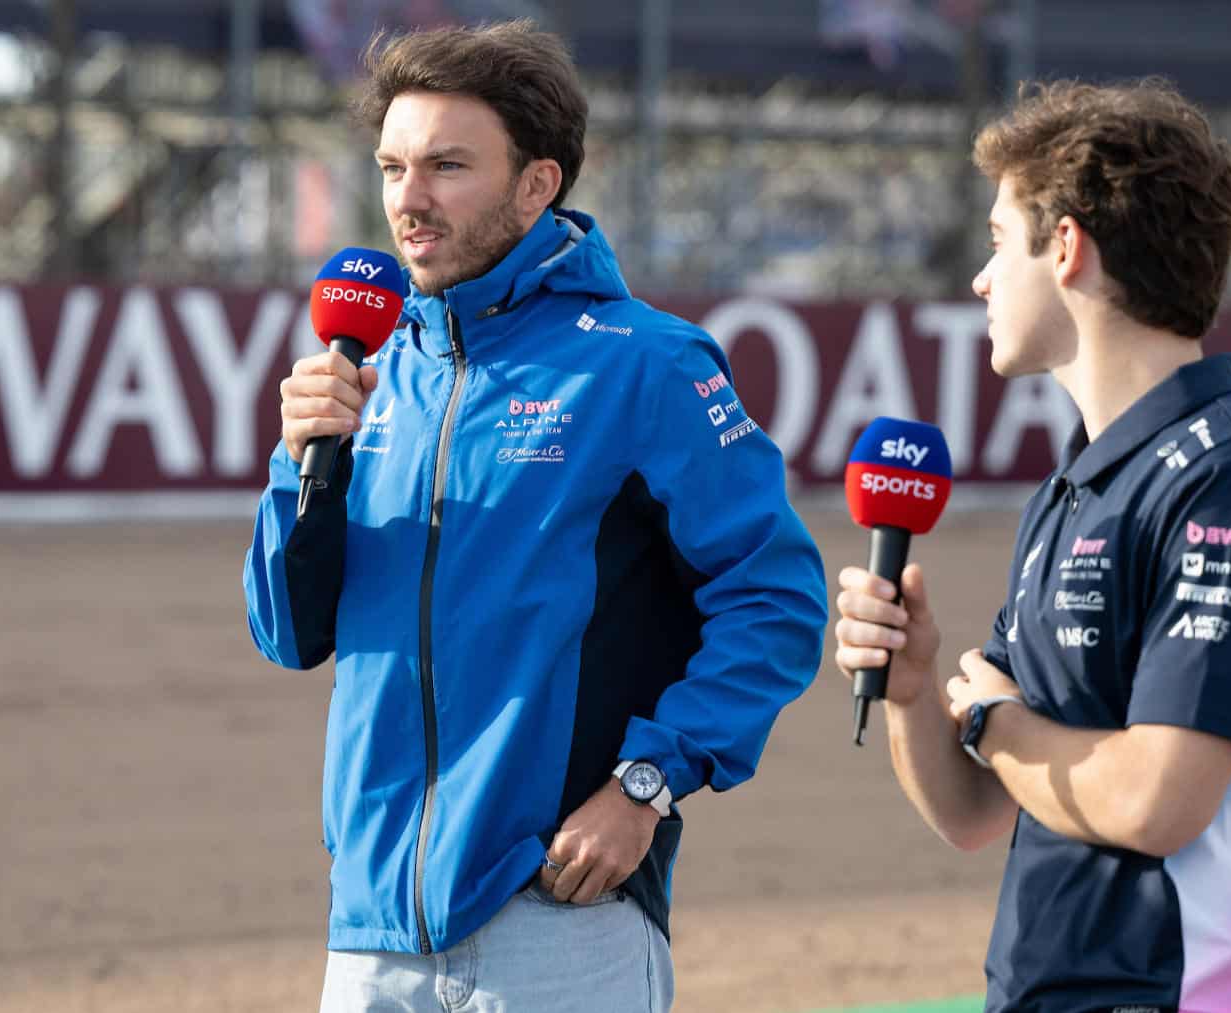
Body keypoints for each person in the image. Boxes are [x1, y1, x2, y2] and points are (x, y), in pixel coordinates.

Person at [242, 20, 827, 1012]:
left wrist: (649, 778)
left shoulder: (647, 363)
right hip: (372, 930)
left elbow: (777, 599)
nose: (408, 199)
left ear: (536, 184)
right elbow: (288, 630)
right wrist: (301, 469)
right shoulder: (363, 377)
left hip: (561, 917)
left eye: (446, 166)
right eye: (392, 165)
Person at [833, 79, 1231, 1013]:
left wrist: (997, 722)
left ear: (1066, 247)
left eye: (998, 244)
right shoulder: (1075, 489)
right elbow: (975, 810)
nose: (983, 280)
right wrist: (916, 691)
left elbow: (1158, 802)